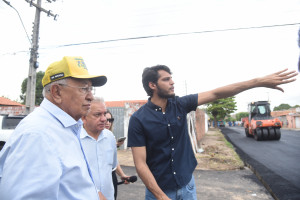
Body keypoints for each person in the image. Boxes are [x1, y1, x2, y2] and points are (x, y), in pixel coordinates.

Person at [127, 65, 298, 200]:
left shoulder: (180, 105)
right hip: (158, 193)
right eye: (166, 79)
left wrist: (258, 82)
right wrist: (161, 197)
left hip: (188, 187)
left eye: (172, 78)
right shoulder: (138, 119)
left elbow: (216, 93)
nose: (172, 82)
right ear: (152, 85)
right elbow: (140, 163)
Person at [0, 56, 107, 200]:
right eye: (84, 88)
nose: (90, 96)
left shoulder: (65, 128)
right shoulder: (38, 135)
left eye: (90, 89)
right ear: (57, 92)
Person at [81, 97, 129, 200]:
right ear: (84, 117)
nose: (104, 119)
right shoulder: (74, 140)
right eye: (97, 114)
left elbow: (113, 164)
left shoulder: (110, 137)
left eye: (104, 114)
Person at [105, 110, 130, 200]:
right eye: (106, 119)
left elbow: (113, 161)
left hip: (111, 177)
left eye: (110, 120)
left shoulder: (111, 136)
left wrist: (122, 175)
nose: (108, 123)